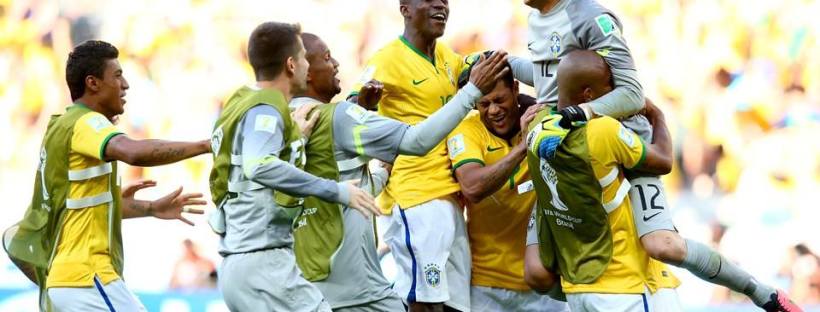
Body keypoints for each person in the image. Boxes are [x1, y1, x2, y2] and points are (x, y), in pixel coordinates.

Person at [517, 0, 799, 310]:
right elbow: (552, 76)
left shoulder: (590, 18)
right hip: (560, 148)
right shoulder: (534, 20)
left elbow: (631, 93)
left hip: (620, 144)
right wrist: (502, 65)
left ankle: (761, 293)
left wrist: (574, 114)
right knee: (538, 273)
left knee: (661, 244)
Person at [290, 32, 508, 311]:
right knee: (423, 303)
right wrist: (471, 92)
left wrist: (380, 173)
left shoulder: (282, 123)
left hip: (324, 278)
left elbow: (342, 184)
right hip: (366, 271)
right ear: (303, 70)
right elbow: (414, 142)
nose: (336, 64)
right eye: (327, 57)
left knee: (448, 303)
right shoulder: (341, 113)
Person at [3, 40, 209, 312]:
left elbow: (76, 210)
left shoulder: (60, 127)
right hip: (88, 278)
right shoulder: (87, 122)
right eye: (117, 75)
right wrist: (206, 145)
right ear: (93, 83)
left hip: (66, 281)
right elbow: (133, 152)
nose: (125, 85)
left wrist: (150, 208)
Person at [207, 22, 380, 312]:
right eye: (302, 57)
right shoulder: (266, 108)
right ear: (291, 64)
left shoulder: (238, 103)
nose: (306, 65)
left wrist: (296, 140)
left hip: (237, 264)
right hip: (265, 262)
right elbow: (259, 165)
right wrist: (336, 190)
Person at [349, 0, 473, 310]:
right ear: (405, 9)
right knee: (422, 300)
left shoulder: (447, 57)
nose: (439, 6)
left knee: (455, 302)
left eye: (444, 1)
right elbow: (352, 108)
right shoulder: (387, 59)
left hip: (451, 196)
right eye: (429, 0)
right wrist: (365, 102)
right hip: (414, 197)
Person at [444, 59, 569, 311]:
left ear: (515, 88)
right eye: (484, 103)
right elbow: (473, 188)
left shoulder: (542, 119)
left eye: (499, 100)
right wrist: (524, 148)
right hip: (487, 285)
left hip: (546, 284)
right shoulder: (466, 130)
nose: (493, 110)